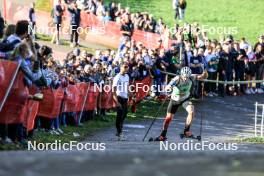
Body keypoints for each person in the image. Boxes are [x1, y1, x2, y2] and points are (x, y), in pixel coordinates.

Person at [154, 66, 208, 141]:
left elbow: (203, 76)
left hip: (185, 99)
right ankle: (163, 135)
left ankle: (186, 131)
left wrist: (205, 71)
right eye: (184, 77)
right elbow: (168, 87)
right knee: (168, 118)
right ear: (181, 74)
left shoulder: (192, 77)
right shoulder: (177, 79)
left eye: (187, 77)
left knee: (191, 111)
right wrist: (169, 89)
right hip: (175, 100)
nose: (185, 78)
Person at [112, 62, 130, 139]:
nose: (126, 68)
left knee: (124, 114)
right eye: (125, 67)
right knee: (119, 115)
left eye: (127, 67)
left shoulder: (127, 76)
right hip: (119, 97)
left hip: (125, 97)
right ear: (121, 68)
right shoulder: (117, 77)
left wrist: (130, 94)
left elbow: (127, 86)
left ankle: (119, 130)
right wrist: (117, 101)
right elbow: (113, 90)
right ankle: (119, 132)